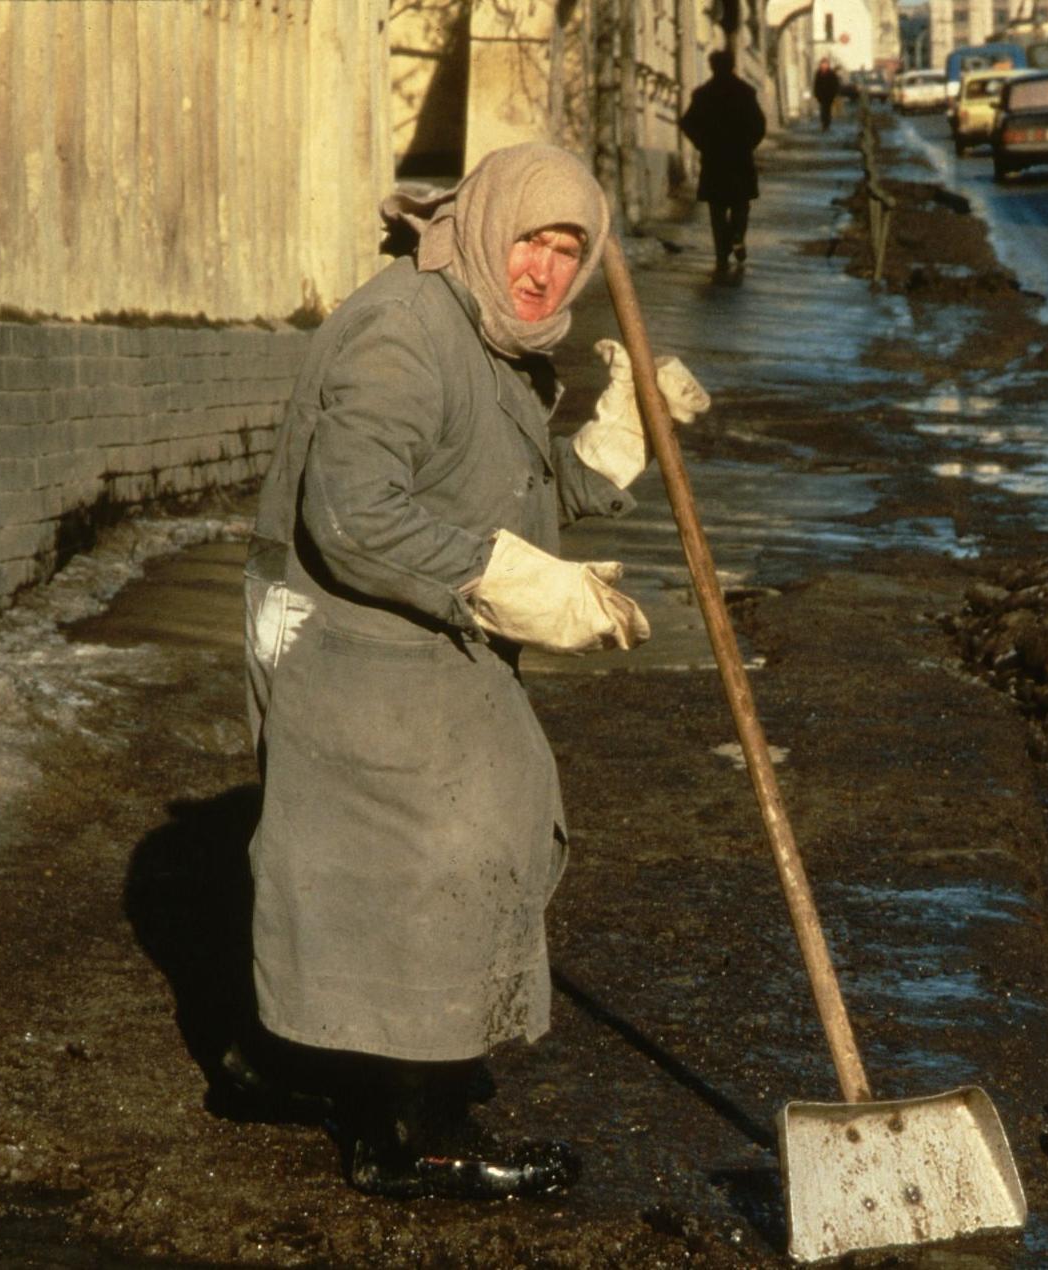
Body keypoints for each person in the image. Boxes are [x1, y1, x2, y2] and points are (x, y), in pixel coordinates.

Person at [238, 142, 710, 1201]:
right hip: (352, 635)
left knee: (453, 838)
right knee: (443, 850)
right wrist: (501, 582)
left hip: (408, 625)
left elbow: (509, 490)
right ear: (485, 225)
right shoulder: (403, 337)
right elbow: (353, 514)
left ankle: (315, 1062)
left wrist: (618, 439)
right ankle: (407, 1132)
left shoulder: (488, 333)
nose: (543, 270)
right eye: (528, 242)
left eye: (566, 251)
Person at [680, 49, 768, 279]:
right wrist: (748, 144)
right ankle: (737, 236)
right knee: (741, 205)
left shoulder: (703, 94)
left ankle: (721, 255)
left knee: (717, 210)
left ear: (712, 67)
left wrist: (702, 143)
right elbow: (759, 124)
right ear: (732, 66)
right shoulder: (745, 92)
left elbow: (687, 123)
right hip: (739, 158)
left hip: (715, 159)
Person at [813, 58, 842, 131]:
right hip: (821, 95)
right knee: (823, 110)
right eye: (823, 64)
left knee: (827, 110)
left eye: (825, 64)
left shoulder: (831, 73)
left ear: (828, 65)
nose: (824, 66)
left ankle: (827, 124)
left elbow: (835, 84)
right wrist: (816, 94)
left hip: (829, 95)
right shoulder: (818, 73)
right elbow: (816, 84)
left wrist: (834, 93)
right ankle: (823, 124)